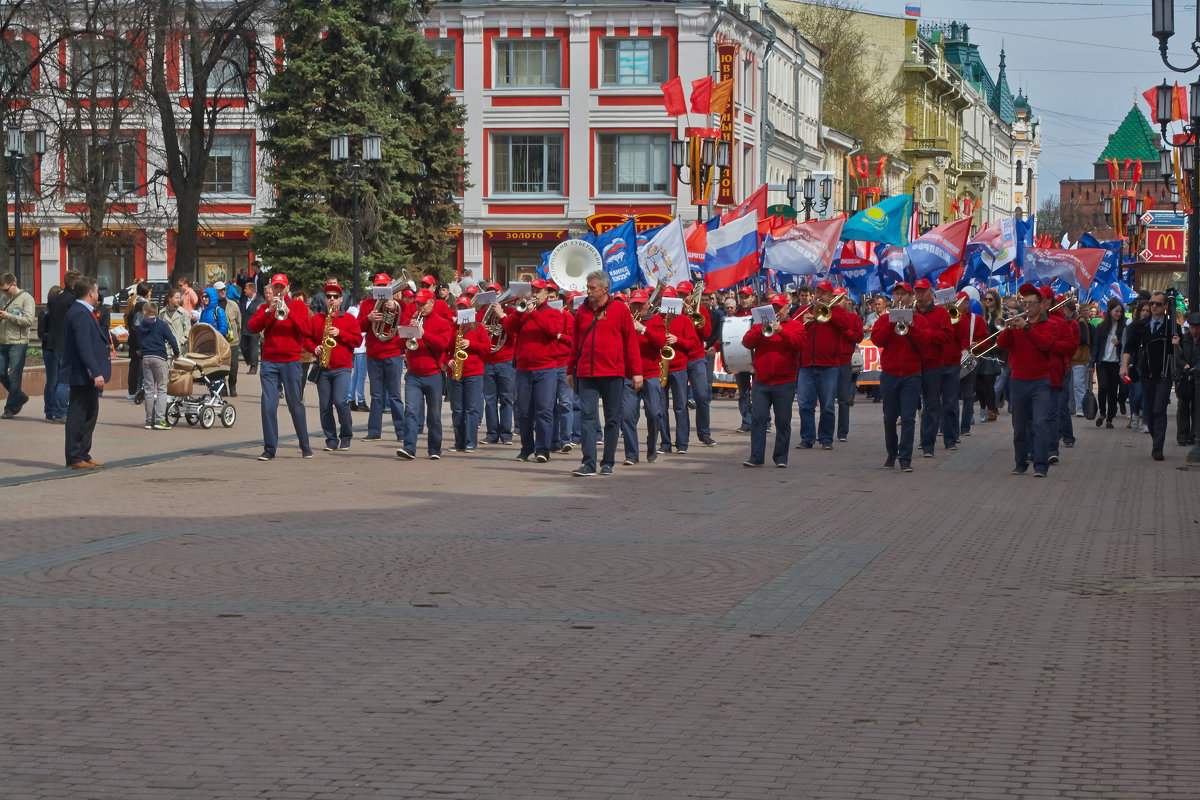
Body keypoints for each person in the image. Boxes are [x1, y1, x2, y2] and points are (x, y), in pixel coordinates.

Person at [567, 269, 641, 476]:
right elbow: (575, 343)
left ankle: (607, 462)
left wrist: (636, 372)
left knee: (612, 419)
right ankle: (588, 463)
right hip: (586, 373)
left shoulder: (620, 309)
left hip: (612, 373)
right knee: (587, 417)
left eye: (592, 288)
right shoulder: (581, 311)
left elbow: (630, 343)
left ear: (605, 289)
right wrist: (570, 369)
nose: (588, 291)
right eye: (587, 287)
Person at [248, 274, 313, 461]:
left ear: (287, 288)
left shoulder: (298, 306)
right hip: (269, 361)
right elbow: (252, 327)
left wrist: (288, 312)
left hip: (291, 361)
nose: (278, 291)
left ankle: (305, 446)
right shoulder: (264, 307)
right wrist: (269, 310)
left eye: (281, 287)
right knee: (268, 405)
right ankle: (269, 449)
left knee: (295, 404)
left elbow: (306, 330)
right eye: (275, 287)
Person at [497, 279, 562, 462]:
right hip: (524, 369)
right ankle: (526, 448)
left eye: (538, 291)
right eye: (532, 291)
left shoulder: (554, 313)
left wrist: (533, 314)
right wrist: (520, 312)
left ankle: (542, 450)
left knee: (544, 411)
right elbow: (508, 327)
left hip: (546, 369)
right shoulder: (523, 311)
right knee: (524, 412)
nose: (534, 294)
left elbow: (552, 330)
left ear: (545, 293)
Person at [742, 295, 808, 467]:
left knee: (783, 421)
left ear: (787, 308)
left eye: (780, 308)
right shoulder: (760, 325)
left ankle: (781, 458)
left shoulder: (796, 325)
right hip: (761, 382)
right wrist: (760, 328)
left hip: (784, 382)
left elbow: (800, 344)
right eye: (773, 308)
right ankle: (756, 457)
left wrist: (782, 331)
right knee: (758, 419)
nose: (777, 312)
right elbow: (747, 342)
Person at [796, 280, 863, 450]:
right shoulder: (804, 310)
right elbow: (794, 330)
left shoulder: (838, 311)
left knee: (827, 405)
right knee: (805, 404)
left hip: (829, 365)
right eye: (818, 292)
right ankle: (807, 438)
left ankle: (826, 439)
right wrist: (802, 322)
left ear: (830, 296)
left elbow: (844, 325)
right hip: (806, 365)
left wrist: (828, 314)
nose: (820, 295)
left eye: (824, 293)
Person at [997, 284, 1055, 477]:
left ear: (1040, 305)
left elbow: (1046, 345)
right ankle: (1020, 463)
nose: (1027, 307)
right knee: (1019, 426)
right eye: (1025, 303)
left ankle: (1040, 465)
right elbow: (1002, 345)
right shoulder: (1017, 323)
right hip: (1018, 380)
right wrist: (1008, 328)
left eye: (1031, 303)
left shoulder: (1049, 325)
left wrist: (1027, 328)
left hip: (1040, 381)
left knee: (1040, 423)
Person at [871, 282, 929, 472]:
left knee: (908, 418)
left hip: (911, 374)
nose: (901, 298)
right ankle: (891, 453)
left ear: (911, 297)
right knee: (889, 418)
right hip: (890, 373)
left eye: (904, 294)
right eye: (897, 294)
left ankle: (906, 458)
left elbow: (925, 343)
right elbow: (877, 340)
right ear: (893, 298)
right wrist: (891, 323)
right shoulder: (884, 319)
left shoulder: (919, 320)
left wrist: (911, 325)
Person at [59, 276, 111, 469]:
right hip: (81, 374)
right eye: (96, 291)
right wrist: (95, 372)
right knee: (79, 415)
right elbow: (83, 346)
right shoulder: (80, 313)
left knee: (90, 413)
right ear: (91, 293)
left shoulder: (83, 311)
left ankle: (83, 454)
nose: (98, 294)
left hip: (84, 374)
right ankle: (74, 457)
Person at [397, 288, 453, 460]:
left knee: (434, 414)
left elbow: (444, 344)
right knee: (411, 411)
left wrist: (424, 334)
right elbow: (398, 342)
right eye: (418, 304)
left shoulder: (442, 323)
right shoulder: (410, 320)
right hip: (414, 374)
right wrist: (408, 330)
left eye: (423, 303)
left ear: (432, 303)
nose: (420, 307)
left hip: (433, 375)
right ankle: (409, 448)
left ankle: (434, 450)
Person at [310, 282, 363, 452]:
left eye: (335, 296)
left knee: (340, 401)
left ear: (341, 299)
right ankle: (331, 439)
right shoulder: (317, 318)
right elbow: (306, 339)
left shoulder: (349, 319)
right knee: (325, 406)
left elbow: (357, 341)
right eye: (328, 296)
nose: (332, 299)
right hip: (323, 367)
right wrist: (314, 348)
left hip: (342, 367)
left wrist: (341, 333)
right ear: (324, 299)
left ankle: (346, 436)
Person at [1122, 291, 1175, 461]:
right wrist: (1124, 365)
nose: (1153, 306)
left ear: (1165, 306)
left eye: (1158, 304)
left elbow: (1178, 354)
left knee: (1159, 409)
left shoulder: (1172, 327)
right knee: (1150, 412)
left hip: (1164, 374)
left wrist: (1177, 344)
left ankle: (1157, 447)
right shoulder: (1140, 326)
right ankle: (1155, 438)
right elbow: (1129, 347)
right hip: (1146, 374)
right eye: (1152, 303)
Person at [621, 289, 667, 465]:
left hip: (650, 375)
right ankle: (631, 454)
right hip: (628, 375)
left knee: (654, 413)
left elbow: (662, 343)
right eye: (635, 304)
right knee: (626, 416)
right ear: (630, 304)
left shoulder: (655, 321)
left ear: (648, 304)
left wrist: (644, 329)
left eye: (641, 303)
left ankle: (651, 445)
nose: (638, 307)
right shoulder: (625, 321)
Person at [360, 274, 407, 442]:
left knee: (395, 395)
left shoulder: (400, 304)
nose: (381, 289)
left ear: (390, 286)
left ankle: (401, 432)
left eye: (384, 285)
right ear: (374, 286)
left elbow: (406, 324)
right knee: (376, 395)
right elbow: (359, 326)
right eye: (378, 285)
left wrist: (394, 309)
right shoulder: (367, 304)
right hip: (373, 354)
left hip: (393, 352)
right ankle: (374, 432)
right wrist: (369, 318)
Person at [911, 279, 955, 457]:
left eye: (923, 291)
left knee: (931, 405)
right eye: (917, 291)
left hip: (932, 365)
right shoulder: (909, 312)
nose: (919, 295)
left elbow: (947, 337)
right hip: (912, 365)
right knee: (911, 407)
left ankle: (928, 443)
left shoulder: (941, 313)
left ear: (931, 292)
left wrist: (925, 334)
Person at [657, 287, 702, 454]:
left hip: (679, 368)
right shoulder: (656, 319)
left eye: (669, 299)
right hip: (661, 368)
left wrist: (678, 340)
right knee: (661, 407)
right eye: (663, 300)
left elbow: (693, 345)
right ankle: (665, 443)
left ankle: (682, 443)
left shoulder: (684, 320)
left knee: (680, 406)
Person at [447, 298, 490, 453]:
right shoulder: (452, 327)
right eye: (459, 308)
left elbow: (487, 348)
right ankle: (459, 442)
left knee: (471, 409)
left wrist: (471, 344)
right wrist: (448, 361)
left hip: (474, 373)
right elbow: (445, 349)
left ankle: (470, 442)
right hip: (455, 372)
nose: (461, 310)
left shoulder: (478, 327)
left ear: (470, 310)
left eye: (464, 308)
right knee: (457, 409)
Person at [480, 282, 516, 445]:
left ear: (501, 292)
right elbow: (474, 335)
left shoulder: (511, 311)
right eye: (490, 292)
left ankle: (506, 434)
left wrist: (502, 315)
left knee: (507, 399)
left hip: (506, 360)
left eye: (495, 292)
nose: (493, 295)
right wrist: (482, 329)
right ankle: (492, 433)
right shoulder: (482, 313)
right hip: (488, 360)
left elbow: (514, 333)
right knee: (490, 400)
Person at [42, 270, 80, 424]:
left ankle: (50, 411)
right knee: (64, 380)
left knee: (52, 380)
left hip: (52, 343)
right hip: (66, 344)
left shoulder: (54, 300)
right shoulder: (73, 301)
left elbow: (48, 323)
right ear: (74, 283)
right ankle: (60, 412)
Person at [135, 301, 180, 430]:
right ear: (156, 312)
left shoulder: (141, 326)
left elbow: (138, 341)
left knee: (149, 390)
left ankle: (149, 420)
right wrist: (176, 352)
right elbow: (171, 339)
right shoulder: (161, 325)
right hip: (159, 357)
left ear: (144, 312)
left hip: (146, 358)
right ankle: (160, 420)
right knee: (161, 389)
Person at [0, 272, 35, 419]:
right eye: (2, 290)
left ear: (14, 284)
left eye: (6, 290)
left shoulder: (27, 299)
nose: (4, 293)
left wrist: (8, 316)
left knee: (15, 376)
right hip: (2, 340)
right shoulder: (2, 298)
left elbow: (28, 321)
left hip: (18, 343)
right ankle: (20, 396)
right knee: (1, 373)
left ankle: (10, 408)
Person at [833, 289, 866, 442]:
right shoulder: (828, 315)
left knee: (844, 399)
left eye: (840, 298)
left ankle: (842, 433)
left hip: (844, 362)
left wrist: (846, 331)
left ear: (847, 300)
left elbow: (858, 337)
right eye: (835, 298)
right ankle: (825, 434)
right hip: (828, 362)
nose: (839, 301)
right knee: (826, 402)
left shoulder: (853, 318)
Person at [1090, 299, 1126, 429]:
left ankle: (1110, 418)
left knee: (1112, 391)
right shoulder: (1101, 327)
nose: (1118, 314)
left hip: (1116, 363)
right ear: (1110, 311)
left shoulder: (1123, 327)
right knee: (1103, 387)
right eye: (1116, 311)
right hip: (1103, 362)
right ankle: (1102, 413)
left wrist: (1119, 343)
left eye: (1120, 312)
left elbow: (1126, 345)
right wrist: (1091, 362)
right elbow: (1096, 345)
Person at [1174, 311, 1200, 446]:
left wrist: (1196, 367)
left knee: (1197, 406)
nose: (1195, 330)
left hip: (1197, 377)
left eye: (1197, 327)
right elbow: (1177, 358)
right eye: (1192, 327)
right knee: (1183, 405)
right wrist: (1184, 366)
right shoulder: (1184, 339)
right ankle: (1182, 434)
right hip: (1184, 378)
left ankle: (1195, 433)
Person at [124, 281, 151, 399]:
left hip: (134, 340)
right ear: (148, 292)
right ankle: (138, 391)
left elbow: (130, 321)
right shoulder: (144, 306)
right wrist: (140, 345)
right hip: (141, 341)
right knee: (141, 367)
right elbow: (139, 326)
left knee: (134, 365)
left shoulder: (134, 302)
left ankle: (132, 390)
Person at [214, 281, 241, 396]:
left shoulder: (233, 305)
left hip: (232, 341)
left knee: (234, 366)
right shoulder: (212, 306)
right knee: (219, 367)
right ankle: (223, 388)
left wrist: (237, 335)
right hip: (218, 342)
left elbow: (239, 322)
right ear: (215, 292)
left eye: (224, 289)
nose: (223, 292)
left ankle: (232, 385)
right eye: (220, 290)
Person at [238, 279, 263, 375]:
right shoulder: (244, 300)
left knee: (253, 349)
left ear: (252, 290)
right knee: (243, 347)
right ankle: (249, 361)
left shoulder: (260, 301)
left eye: (246, 289)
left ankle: (254, 367)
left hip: (254, 330)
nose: (244, 290)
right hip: (244, 328)